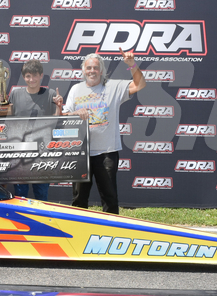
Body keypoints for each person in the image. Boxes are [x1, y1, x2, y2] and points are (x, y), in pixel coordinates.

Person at [61, 49, 146, 214]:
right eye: (89, 68)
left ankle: (111, 228)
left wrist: (132, 64)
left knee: (109, 198)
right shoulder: (76, 89)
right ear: (83, 70)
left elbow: (140, 84)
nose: (92, 71)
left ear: (101, 71)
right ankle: (79, 227)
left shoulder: (113, 87)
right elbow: (64, 115)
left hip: (106, 152)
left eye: (95, 68)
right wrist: (76, 113)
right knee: (79, 199)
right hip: (81, 152)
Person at [8, 60, 63, 201]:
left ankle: (41, 215)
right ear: (23, 77)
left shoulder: (50, 94)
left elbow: (56, 121)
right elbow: (7, 120)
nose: (31, 79)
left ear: (41, 75)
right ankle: (20, 215)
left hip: (43, 151)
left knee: (42, 193)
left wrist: (59, 107)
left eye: (35, 75)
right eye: (28, 76)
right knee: (20, 194)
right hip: (20, 151)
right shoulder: (15, 94)